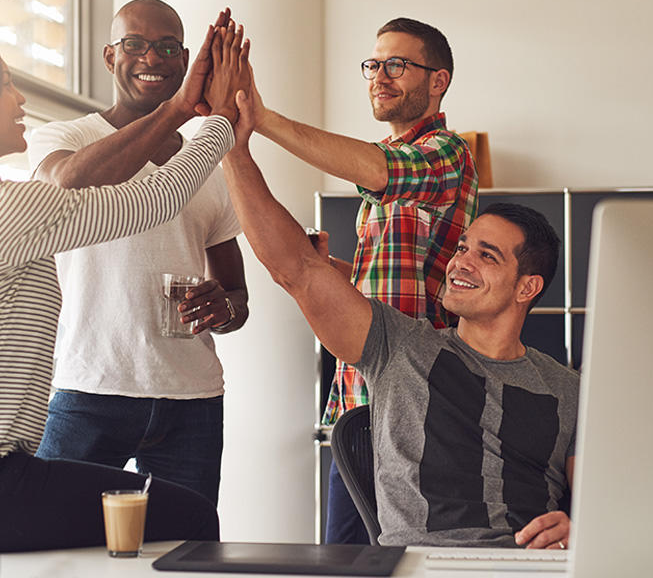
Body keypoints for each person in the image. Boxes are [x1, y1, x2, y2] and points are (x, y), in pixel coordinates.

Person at [0, 20, 250, 552]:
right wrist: (219, 121)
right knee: (192, 520)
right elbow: (155, 197)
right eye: (3, 85)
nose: (19, 98)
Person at [218, 88, 577, 547]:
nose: (461, 261)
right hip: (420, 566)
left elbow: (606, 506)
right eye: (463, 247)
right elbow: (296, 269)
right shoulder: (401, 347)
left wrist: (583, 527)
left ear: (527, 287)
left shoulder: (566, 389)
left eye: (486, 256)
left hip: (531, 568)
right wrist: (232, 143)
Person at [247, 17, 479, 543]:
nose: (380, 75)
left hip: (415, 403)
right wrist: (334, 270)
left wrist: (261, 119)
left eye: (397, 64)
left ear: (437, 80)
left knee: (407, 558)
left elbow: (380, 171)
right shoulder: (389, 164)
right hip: (358, 399)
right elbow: (400, 279)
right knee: (344, 560)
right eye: (374, 64)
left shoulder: (446, 153)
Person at [28, 0, 248, 506]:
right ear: (110, 57)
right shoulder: (65, 138)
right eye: (135, 45)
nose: (152, 58)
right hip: (87, 389)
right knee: (57, 539)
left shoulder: (206, 169)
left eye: (167, 47)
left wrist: (225, 306)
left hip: (190, 399)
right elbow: (68, 182)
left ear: (185, 58)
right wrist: (178, 109)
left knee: (184, 548)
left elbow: (239, 300)